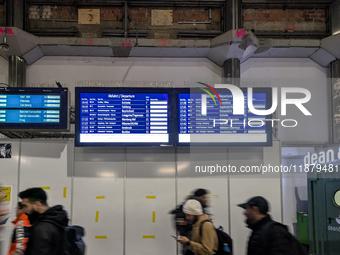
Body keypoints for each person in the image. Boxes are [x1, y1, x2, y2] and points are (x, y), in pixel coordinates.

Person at [18, 187, 68, 255]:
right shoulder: (58, 220)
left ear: (38, 204)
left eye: (25, 206)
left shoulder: (42, 228)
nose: (24, 210)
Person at [170, 189, 210, 255]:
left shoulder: (200, 209)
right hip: (192, 245)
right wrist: (188, 240)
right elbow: (183, 227)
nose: (206, 199)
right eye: (204, 197)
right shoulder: (190, 209)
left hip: (196, 244)